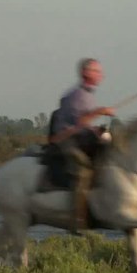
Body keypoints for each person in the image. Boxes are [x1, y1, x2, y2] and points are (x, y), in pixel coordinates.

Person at [49, 58, 115, 234]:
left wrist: (98, 131)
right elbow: (81, 121)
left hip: (80, 140)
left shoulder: (88, 96)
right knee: (83, 170)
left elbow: (85, 125)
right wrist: (101, 111)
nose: (101, 75)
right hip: (66, 141)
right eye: (97, 71)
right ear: (86, 73)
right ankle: (78, 220)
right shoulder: (77, 95)